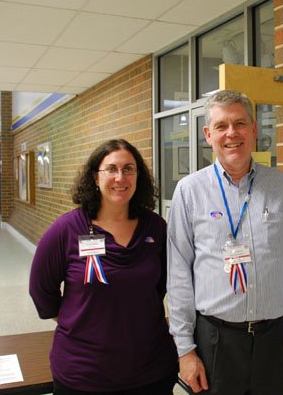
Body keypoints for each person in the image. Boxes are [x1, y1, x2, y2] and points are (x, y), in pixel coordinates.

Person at [167, 90, 283, 394]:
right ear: (208, 135)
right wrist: (185, 350)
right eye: (221, 126)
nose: (231, 133)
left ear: (254, 129)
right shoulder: (189, 191)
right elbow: (179, 275)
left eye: (240, 123)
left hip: (275, 340)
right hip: (215, 342)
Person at [29, 139, 178, 395]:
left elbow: (165, 285)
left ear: (138, 176)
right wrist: (78, 322)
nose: (120, 177)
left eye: (129, 169)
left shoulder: (156, 228)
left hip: (150, 369)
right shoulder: (66, 230)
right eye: (111, 169)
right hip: (84, 373)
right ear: (95, 177)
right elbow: (41, 289)